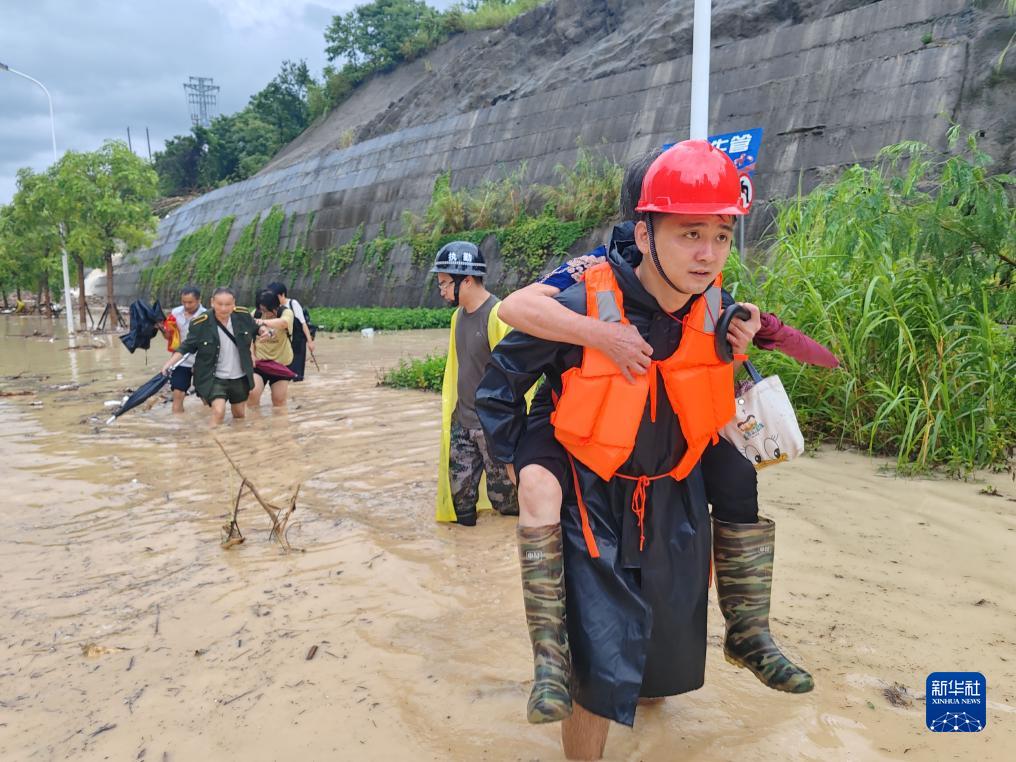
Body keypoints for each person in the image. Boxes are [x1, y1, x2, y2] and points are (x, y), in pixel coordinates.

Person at [476, 141, 810, 759]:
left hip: (673, 488)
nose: (707, 253)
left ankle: (749, 632)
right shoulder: (580, 297)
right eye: (689, 234)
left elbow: (719, 385)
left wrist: (746, 334)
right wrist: (517, 464)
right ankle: (551, 666)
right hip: (590, 489)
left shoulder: (715, 304)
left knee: (667, 640)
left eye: (721, 236)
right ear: (645, 229)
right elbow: (501, 382)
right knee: (596, 662)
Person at [432, 241, 520, 527]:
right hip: (463, 422)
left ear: (466, 280)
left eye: (445, 283)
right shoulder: (457, 317)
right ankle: (465, 562)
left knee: (506, 504)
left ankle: (499, 563)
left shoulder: (500, 316)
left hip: (492, 428)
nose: (442, 290)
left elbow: (516, 379)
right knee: (461, 505)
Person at [161, 287, 256, 426]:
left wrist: (265, 332)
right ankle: (210, 442)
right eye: (220, 304)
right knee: (218, 412)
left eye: (227, 304)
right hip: (214, 376)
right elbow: (186, 346)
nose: (223, 308)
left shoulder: (243, 316)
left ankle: (238, 442)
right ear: (212, 302)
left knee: (239, 415)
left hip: (238, 376)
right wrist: (169, 363)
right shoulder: (201, 323)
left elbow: (256, 329)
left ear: (234, 303)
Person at [158, 286, 206, 414]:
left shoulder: (206, 316)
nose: (186, 305)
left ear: (198, 300)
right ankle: (178, 427)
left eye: (190, 302)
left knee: (204, 396)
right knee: (178, 393)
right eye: (184, 302)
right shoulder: (175, 313)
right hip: (180, 360)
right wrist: (161, 328)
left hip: (201, 361)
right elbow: (169, 337)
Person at [248, 289, 295, 410]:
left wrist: (263, 322)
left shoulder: (286, 313)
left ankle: (280, 427)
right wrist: (252, 356)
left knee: (279, 401)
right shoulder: (255, 314)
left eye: (267, 310)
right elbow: (249, 338)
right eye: (262, 310)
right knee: (252, 395)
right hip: (260, 363)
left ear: (276, 306)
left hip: (281, 363)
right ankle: (253, 426)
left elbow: (284, 323)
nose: (265, 313)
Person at [267, 282, 314, 381]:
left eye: (275, 297)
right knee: (284, 374)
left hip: (297, 342)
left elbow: (303, 323)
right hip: (284, 343)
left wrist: (310, 342)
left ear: (282, 295)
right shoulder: (274, 308)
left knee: (297, 374)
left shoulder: (293, 304)